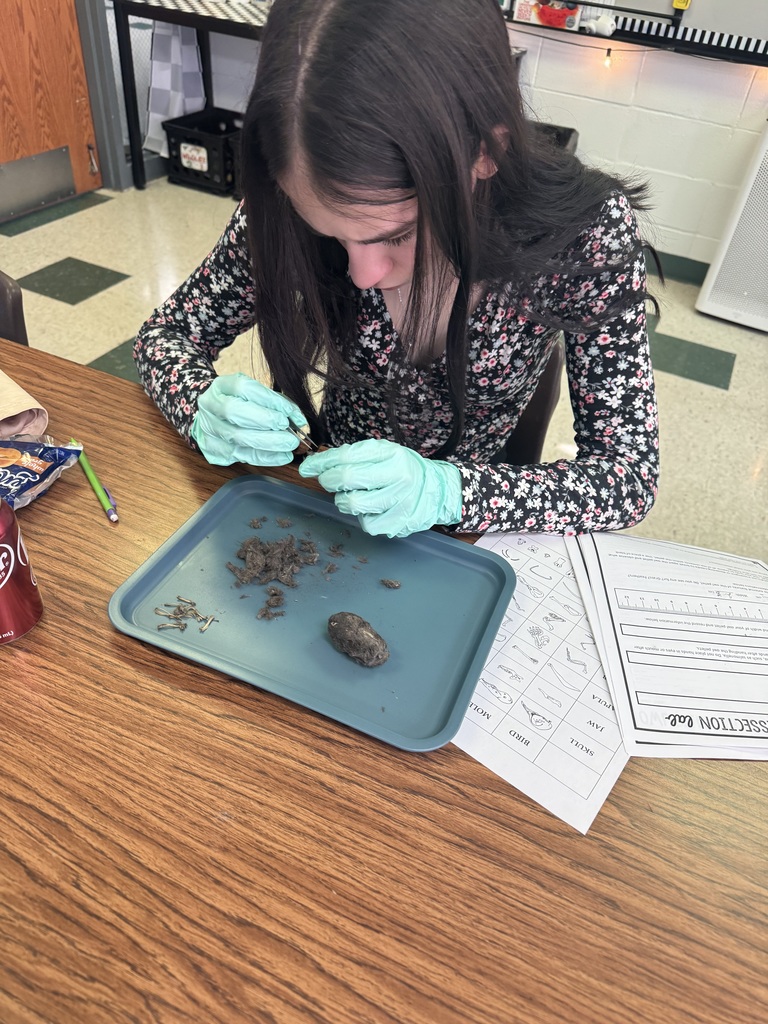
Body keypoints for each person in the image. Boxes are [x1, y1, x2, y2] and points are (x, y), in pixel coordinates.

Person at [134, 0, 660, 539]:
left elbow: (629, 476)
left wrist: (448, 492)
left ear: (485, 153)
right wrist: (199, 403)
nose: (362, 274)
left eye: (398, 234)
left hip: (475, 521)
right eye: (331, 236)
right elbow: (165, 336)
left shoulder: (583, 234)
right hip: (328, 509)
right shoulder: (287, 202)